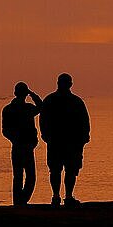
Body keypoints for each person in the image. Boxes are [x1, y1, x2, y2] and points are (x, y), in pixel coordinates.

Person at [40, 73, 90, 207]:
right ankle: (65, 196)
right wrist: (84, 137)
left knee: (59, 169)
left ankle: (58, 196)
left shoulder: (50, 100)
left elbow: (43, 120)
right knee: (69, 170)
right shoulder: (76, 101)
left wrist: (45, 135)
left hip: (59, 141)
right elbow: (85, 121)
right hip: (68, 141)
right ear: (70, 84)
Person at [2, 82, 42, 205]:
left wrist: (14, 139)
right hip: (23, 146)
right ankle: (20, 201)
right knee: (28, 176)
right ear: (25, 94)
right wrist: (32, 94)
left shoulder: (9, 109)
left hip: (22, 146)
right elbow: (41, 106)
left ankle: (19, 201)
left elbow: (5, 131)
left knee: (19, 176)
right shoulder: (26, 109)